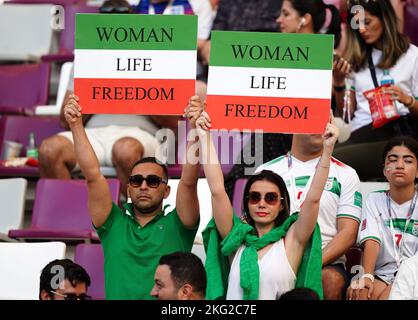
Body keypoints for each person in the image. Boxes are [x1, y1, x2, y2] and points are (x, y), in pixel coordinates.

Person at [63, 94, 203, 299]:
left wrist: (195, 129)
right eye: (136, 181)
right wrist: (75, 124)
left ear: (166, 191)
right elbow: (92, 174)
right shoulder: (112, 223)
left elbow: (189, 181)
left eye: (153, 181)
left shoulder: (179, 225)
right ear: (128, 189)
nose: (144, 186)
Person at [39, 0, 182, 197]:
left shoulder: (154, 59)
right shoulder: (87, 59)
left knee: (125, 149)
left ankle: (132, 223)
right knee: (50, 149)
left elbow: (174, 121)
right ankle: (69, 219)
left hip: (140, 134)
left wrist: (136, 88)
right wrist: (98, 87)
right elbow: (65, 121)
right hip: (91, 135)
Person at [198, 111, 339, 300]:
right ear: (247, 203)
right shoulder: (236, 240)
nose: (262, 204)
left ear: (281, 205)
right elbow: (217, 189)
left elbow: (313, 198)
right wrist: (203, 134)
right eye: (255, 197)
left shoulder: (292, 241)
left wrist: (328, 149)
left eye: (271, 198)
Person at [333, 0, 418, 181]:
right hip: (361, 132)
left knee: (331, 162)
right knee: (320, 158)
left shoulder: (412, 56)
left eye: (367, 22)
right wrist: (339, 82)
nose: (362, 29)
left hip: (396, 133)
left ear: (384, 19)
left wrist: (408, 100)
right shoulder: (357, 58)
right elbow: (347, 114)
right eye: (357, 24)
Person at [347, 136, 418, 300]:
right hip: (383, 274)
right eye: (392, 160)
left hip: (413, 275)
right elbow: (372, 241)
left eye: (408, 161)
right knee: (360, 293)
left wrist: (397, 285)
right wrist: (367, 277)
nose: (399, 165)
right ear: (385, 169)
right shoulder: (374, 199)